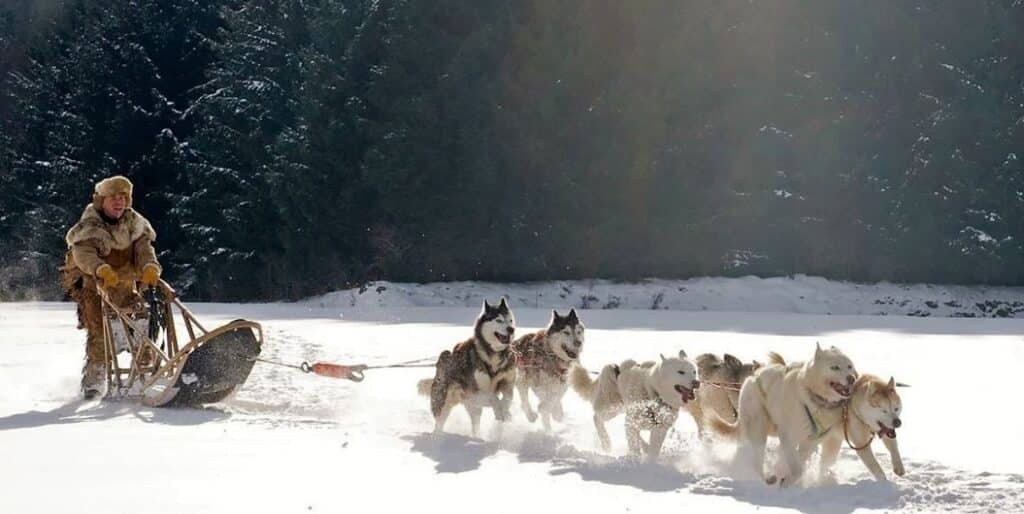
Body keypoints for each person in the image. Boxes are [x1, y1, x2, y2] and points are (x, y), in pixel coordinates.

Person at [61, 175, 162, 399]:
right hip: (93, 286)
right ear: (101, 201)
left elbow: (145, 249)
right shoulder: (89, 226)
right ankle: (94, 381)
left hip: (124, 285)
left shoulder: (135, 224)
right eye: (113, 198)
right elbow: (82, 254)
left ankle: (145, 372)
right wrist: (100, 269)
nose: (119, 202)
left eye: (123, 197)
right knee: (99, 330)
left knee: (141, 320)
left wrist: (150, 267)